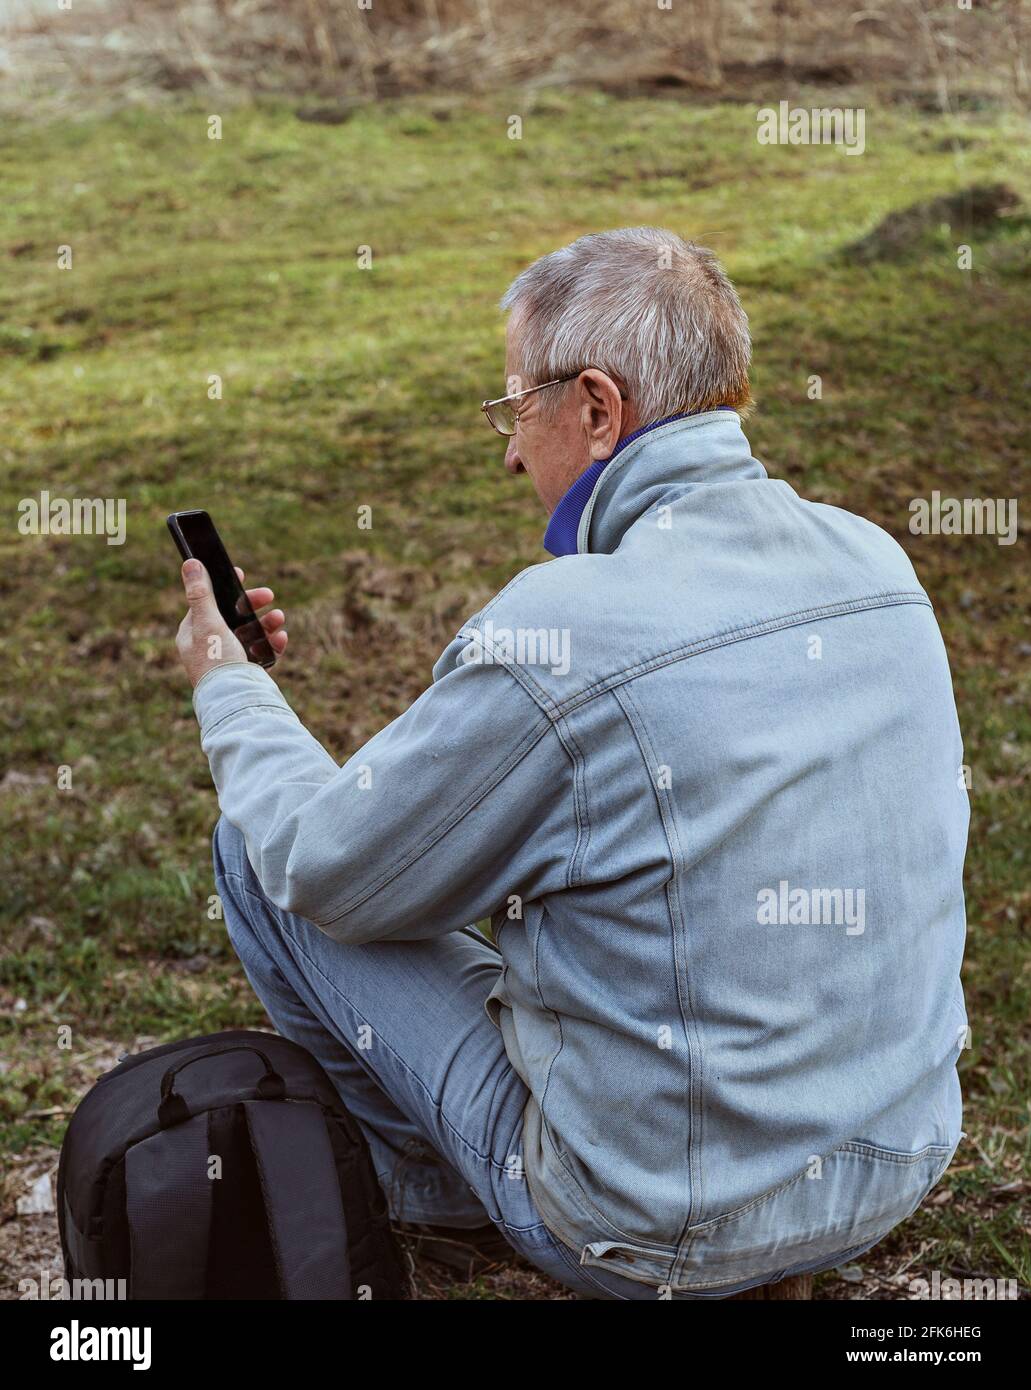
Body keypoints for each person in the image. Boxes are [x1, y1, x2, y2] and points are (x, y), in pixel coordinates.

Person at [175, 227, 968, 1300]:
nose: (509, 452)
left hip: (652, 1234)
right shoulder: (877, 563)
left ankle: (431, 1194)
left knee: (255, 850)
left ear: (596, 410)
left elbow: (327, 866)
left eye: (515, 410)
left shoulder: (565, 631)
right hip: (887, 1173)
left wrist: (230, 684)